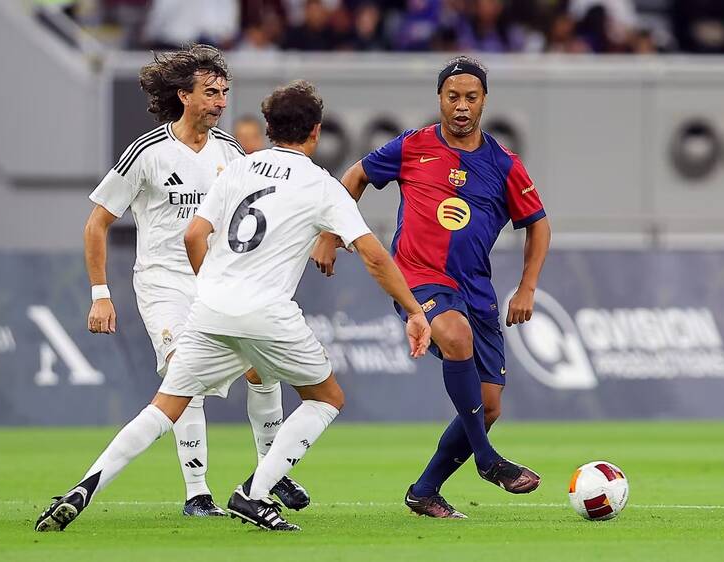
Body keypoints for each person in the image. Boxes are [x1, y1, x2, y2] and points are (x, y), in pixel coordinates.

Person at [35, 79, 431, 533]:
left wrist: (214, 287)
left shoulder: (238, 170)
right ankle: (255, 493)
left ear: (267, 129)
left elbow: (192, 235)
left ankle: (85, 486)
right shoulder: (321, 184)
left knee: (164, 407)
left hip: (210, 307)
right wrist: (415, 311)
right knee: (326, 398)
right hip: (266, 310)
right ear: (316, 132)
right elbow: (374, 255)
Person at [312, 55, 551, 518]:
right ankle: (487, 460)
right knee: (456, 336)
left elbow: (538, 225)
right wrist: (329, 232)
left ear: (484, 101)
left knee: (488, 404)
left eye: (471, 98)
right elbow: (356, 176)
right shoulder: (412, 147)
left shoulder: (504, 164)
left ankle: (424, 491)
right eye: (453, 97)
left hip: (475, 289)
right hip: (417, 276)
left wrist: (527, 287)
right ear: (440, 99)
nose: (461, 106)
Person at [80, 44, 308, 517]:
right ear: (184, 96)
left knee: (262, 371)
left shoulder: (232, 152)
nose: (221, 101)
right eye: (210, 92)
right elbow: (97, 222)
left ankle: (269, 475)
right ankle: (197, 491)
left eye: (224, 91)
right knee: (185, 378)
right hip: (164, 283)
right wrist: (101, 294)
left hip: (220, 281)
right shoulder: (147, 152)